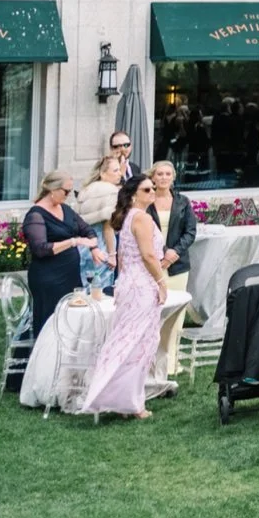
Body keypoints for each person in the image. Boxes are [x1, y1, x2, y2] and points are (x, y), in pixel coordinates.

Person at [75, 173, 172, 420]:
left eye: (153, 189)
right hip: (141, 286)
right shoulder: (141, 218)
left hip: (130, 284)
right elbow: (149, 256)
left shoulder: (129, 217)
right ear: (133, 195)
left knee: (129, 340)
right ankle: (130, 402)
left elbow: (122, 256)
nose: (152, 193)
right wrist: (161, 282)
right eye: (147, 190)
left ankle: (124, 397)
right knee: (137, 343)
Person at [19, 171, 98, 339]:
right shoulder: (36, 215)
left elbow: (87, 230)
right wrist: (73, 242)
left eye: (71, 192)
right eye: (66, 191)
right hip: (48, 277)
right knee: (50, 321)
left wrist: (94, 248)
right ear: (52, 189)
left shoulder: (66, 209)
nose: (69, 196)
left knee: (71, 319)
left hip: (70, 274)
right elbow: (41, 248)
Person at [142, 162, 197, 298]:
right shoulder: (145, 202)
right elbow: (143, 232)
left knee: (178, 304)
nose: (164, 177)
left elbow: (190, 232)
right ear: (153, 177)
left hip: (178, 263)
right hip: (153, 262)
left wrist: (174, 253)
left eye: (168, 174)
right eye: (159, 174)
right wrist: (165, 252)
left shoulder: (183, 201)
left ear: (173, 177)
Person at [77, 139, 131, 224]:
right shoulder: (111, 192)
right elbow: (108, 229)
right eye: (115, 170)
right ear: (103, 173)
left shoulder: (86, 190)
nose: (120, 174)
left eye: (119, 170)